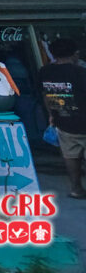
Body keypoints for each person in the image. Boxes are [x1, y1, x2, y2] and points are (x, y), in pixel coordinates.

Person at [38, 38, 86, 199]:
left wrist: (51, 114)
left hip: (63, 119)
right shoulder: (80, 72)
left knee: (71, 155)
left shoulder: (45, 72)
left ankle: (76, 188)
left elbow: (45, 95)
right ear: (74, 54)